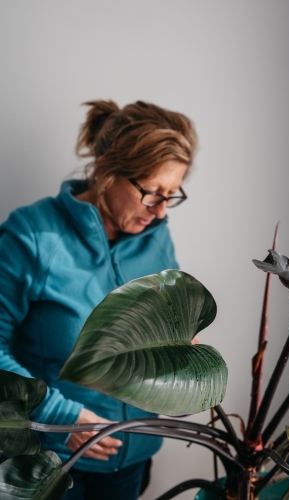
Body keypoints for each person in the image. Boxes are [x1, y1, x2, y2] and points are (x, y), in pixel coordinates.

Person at [0, 100, 198, 499]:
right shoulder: (32, 236)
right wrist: (58, 415)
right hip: (47, 463)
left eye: (172, 195)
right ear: (108, 171)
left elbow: (171, 324)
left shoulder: (157, 237)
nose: (160, 212)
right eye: (151, 193)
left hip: (133, 459)